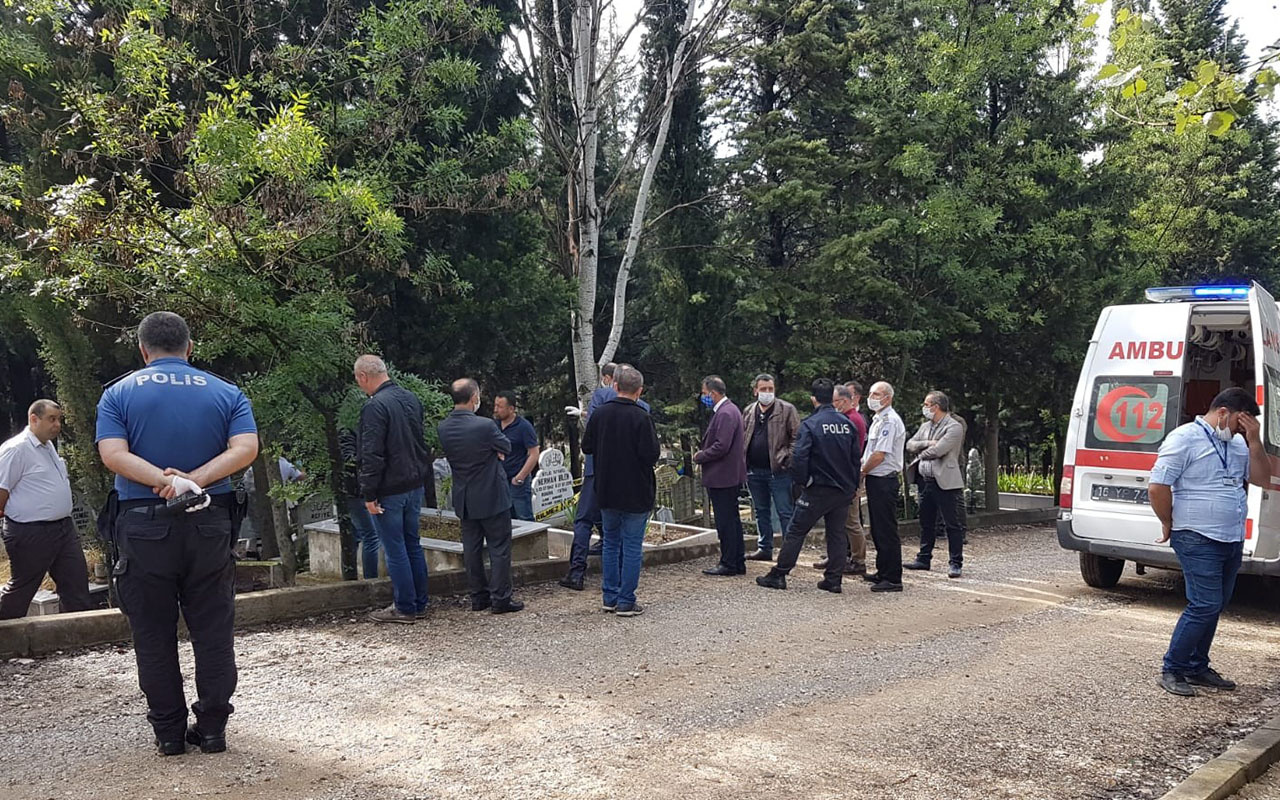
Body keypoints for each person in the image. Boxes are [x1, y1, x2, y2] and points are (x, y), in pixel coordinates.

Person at [96, 311, 259, 756]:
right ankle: (212, 730)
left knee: (152, 631)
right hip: (210, 520)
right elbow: (246, 448)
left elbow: (112, 454)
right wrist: (195, 480)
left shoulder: (118, 393)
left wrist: (165, 482)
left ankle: (168, 733)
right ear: (190, 349)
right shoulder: (226, 392)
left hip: (144, 524)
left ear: (144, 350)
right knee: (213, 627)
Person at [1150, 388, 1269, 697]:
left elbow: (1261, 478)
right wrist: (1168, 522)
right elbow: (1157, 486)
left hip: (1230, 536)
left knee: (1216, 604)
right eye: (1240, 425)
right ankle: (1172, 669)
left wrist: (1254, 441)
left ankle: (1196, 665)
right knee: (1204, 604)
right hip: (1196, 535)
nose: (1240, 432)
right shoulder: (1184, 438)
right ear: (1224, 413)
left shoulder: (1239, 444)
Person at [756, 379, 862, 593]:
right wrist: (852, 486)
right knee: (837, 533)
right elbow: (855, 458)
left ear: (813, 399)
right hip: (842, 489)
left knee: (796, 530)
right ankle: (833, 579)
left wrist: (802, 482)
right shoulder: (846, 423)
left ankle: (779, 574)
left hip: (818, 488)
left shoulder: (811, 424)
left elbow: (800, 458)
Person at [354, 355, 431, 624]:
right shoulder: (410, 398)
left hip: (390, 487)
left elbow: (372, 453)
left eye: (358, 380)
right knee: (413, 544)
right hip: (414, 482)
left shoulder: (375, 407)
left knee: (394, 547)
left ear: (363, 377)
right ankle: (420, 603)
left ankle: (405, 606)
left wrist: (369, 493)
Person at [438, 378, 524, 615]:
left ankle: (478, 597)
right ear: (474, 397)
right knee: (499, 549)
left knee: (472, 550)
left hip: (464, 497)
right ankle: (501, 598)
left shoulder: (443, 428)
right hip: (492, 496)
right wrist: (493, 451)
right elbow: (505, 447)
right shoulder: (485, 426)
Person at [561, 363, 649, 590]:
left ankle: (577, 572)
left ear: (611, 380)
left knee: (585, 521)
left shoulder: (601, 397)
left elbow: (591, 434)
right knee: (625, 539)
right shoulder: (642, 407)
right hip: (631, 479)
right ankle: (623, 585)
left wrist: (583, 413)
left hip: (599, 472)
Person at [0, 400, 91, 619]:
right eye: (52, 419)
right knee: (22, 590)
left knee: (76, 585)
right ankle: (6, 638)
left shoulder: (48, 446)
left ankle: (77, 638)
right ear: (34, 419)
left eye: (58, 419)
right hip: (31, 532)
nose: (57, 425)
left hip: (63, 529)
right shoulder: (16, 449)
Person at [581, 365, 660, 616]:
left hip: (607, 487)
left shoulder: (600, 414)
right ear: (639, 390)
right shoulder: (642, 417)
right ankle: (626, 600)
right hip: (636, 489)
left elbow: (587, 447)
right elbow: (651, 455)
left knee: (611, 543)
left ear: (614, 386)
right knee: (632, 546)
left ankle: (609, 596)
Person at [904, 391, 966, 578]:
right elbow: (909, 444)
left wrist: (921, 452)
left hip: (946, 481)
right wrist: (929, 442)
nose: (924, 408)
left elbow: (939, 451)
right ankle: (924, 558)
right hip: (925, 480)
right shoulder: (925, 426)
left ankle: (955, 562)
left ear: (936, 406)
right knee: (926, 522)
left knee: (951, 524)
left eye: (926, 404)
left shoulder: (954, 427)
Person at [742, 374, 800, 562]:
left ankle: (788, 552)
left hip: (779, 471)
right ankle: (764, 548)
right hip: (754, 471)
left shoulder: (787, 410)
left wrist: (787, 459)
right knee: (761, 511)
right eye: (763, 389)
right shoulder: (749, 411)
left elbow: (797, 438)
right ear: (755, 391)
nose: (767, 392)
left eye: (770, 389)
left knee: (784, 512)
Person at [695, 375, 747, 576]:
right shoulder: (729, 410)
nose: (704, 397)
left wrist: (701, 456)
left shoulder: (725, 413)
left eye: (705, 393)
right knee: (732, 520)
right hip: (728, 474)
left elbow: (721, 446)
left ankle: (729, 562)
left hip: (723, 475)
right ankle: (736, 560)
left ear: (713, 393)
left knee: (726, 521)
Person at [860, 380, 907, 593]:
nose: (872, 397)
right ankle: (882, 570)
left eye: (876, 394)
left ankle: (893, 576)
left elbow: (879, 455)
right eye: (871, 393)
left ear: (888, 397)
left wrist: (862, 472)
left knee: (886, 529)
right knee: (878, 529)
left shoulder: (889, 421)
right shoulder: (878, 419)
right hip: (876, 478)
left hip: (884, 478)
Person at [826, 381, 869, 575]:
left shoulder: (852, 420)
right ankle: (839, 556)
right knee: (840, 520)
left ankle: (859, 560)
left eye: (834, 401)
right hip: (842, 474)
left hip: (849, 474)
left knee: (851, 520)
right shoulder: (847, 418)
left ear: (843, 401)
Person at [339, 428, 380, 579]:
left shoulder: (347, 429)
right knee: (371, 536)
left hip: (351, 490)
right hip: (354, 491)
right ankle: (371, 580)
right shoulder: (346, 431)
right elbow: (349, 460)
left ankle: (351, 577)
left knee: (354, 536)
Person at [493, 391, 540, 521]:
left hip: (517, 480)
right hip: (499, 480)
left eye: (500, 407)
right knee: (504, 519)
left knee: (523, 517)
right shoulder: (494, 425)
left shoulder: (524, 426)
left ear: (511, 409)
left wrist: (520, 477)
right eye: (495, 405)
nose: (496, 410)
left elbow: (534, 453)